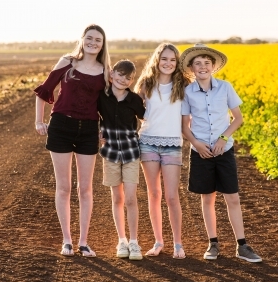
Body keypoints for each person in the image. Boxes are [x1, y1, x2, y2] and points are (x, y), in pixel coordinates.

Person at [180, 44, 262, 262]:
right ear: (191, 68)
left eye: (207, 63)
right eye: (197, 63)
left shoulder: (225, 87)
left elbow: (238, 118)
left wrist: (223, 139)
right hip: (201, 152)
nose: (203, 66)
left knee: (232, 198)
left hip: (223, 150)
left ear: (213, 66)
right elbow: (185, 126)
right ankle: (213, 243)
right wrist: (197, 144)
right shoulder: (188, 92)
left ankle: (242, 246)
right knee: (207, 198)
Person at [34, 24, 110, 257]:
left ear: (102, 43)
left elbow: (106, 104)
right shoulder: (67, 62)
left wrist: (104, 128)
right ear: (82, 39)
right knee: (64, 187)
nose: (93, 43)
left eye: (98, 40)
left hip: (88, 130)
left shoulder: (105, 70)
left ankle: (83, 242)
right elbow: (45, 91)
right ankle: (67, 240)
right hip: (61, 126)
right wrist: (39, 121)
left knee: (85, 189)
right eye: (89, 38)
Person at [134, 43, 191, 259]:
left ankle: (178, 244)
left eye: (172, 60)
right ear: (157, 60)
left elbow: (191, 116)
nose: (168, 63)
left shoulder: (183, 86)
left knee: (172, 196)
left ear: (177, 64)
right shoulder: (146, 84)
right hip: (147, 141)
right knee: (154, 194)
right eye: (164, 59)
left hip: (172, 144)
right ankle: (158, 242)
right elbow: (133, 111)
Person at [98, 60, 146, 260]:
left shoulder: (134, 100)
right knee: (116, 198)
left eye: (128, 77)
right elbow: (92, 116)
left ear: (132, 80)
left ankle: (134, 242)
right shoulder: (102, 97)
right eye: (119, 74)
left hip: (131, 153)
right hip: (110, 153)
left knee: (130, 198)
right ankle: (122, 240)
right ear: (111, 74)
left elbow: (147, 118)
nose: (122, 79)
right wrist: (98, 132)